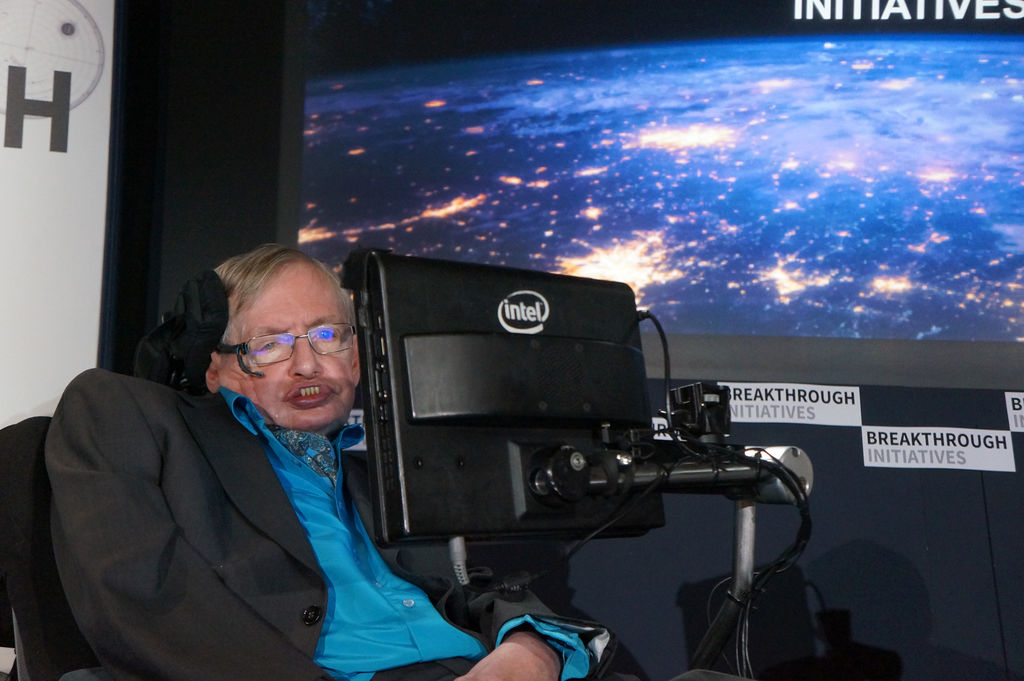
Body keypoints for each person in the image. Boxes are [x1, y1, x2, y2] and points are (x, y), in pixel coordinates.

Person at [45, 244, 630, 681]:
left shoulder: (383, 484)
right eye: (270, 344)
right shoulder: (129, 415)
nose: (307, 365)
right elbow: (143, 598)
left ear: (355, 360)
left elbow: (466, 591)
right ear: (214, 367)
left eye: (327, 336)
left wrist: (533, 648)